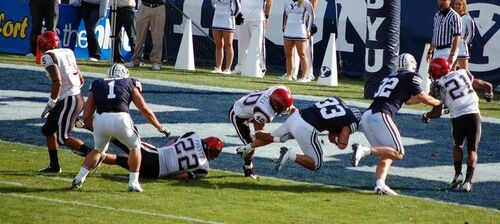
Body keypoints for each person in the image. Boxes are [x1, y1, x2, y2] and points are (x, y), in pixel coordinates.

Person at [351, 54, 442, 195]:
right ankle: (364, 150)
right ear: (411, 64)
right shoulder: (411, 76)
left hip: (368, 116)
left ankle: (380, 184)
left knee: (387, 153)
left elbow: (409, 100)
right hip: (381, 115)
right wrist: (439, 103)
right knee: (398, 153)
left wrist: (430, 101)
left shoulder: (390, 77)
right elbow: (422, 96)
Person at [72, 64, 170, 192]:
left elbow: (87, 113)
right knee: (135, 147)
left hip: (101, 119)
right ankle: (133, 183)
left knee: (98, 150)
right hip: (121, 118)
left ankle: (79, 178)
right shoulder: (130, 82)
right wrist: (159, 126)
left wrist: (93, 127)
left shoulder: (97, 83)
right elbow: (143, 108)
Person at [423, 58, 493, 192]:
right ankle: (468, 181)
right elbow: (476, 83)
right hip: (473, 113)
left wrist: (427, 115)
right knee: (472, 149)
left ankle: (458, 174)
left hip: (457, 117)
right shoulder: (462, 72)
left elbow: (437, 112)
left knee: (458, 145)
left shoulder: (437, 84)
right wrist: (488, 89)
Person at [248, 97, 361, 171]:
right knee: (316, 164)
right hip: (306, 127)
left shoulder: (337, 100)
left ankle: (246, 148)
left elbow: (330, 125)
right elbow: (342, 145)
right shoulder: (351, 120)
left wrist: (334, 133)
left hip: (296, 116)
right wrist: (338, 139)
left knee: (271, 137)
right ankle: (290, 154)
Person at [37, 31, 94, 173]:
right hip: (72, 98)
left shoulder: (48, 57)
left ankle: (94, 155)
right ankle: (54, 165)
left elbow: (57, 82)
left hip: (69, 100)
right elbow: (81, 78)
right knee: (48, 129)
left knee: (63, 137)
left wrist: (51, 103)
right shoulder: (67, 51)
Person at [229, 86, 293, 178]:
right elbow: (260, 136)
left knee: (254, 144)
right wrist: (279, 138)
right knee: (250, 145)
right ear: (275, 105)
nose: (285, 110)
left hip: (251, 106)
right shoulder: (263, 111)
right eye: (283, 108)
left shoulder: (280, 89)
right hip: (239, 115)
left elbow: (286, 90)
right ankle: (248, 167)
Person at [103, 132, 224, 180]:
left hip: (154, 155)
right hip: (154, 173)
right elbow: (183, 176)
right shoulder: (204, 167)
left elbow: (172, 143)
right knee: (117, 159)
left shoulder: (193, 135)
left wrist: (164, 152)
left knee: (118, 138)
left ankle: (90, 125)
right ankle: (87, 151)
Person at [232, 0, 272, 75]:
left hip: (258, 18)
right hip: (243, 17)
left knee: (259, 44)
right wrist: (238, 14)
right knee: (242, 45)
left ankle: (261, 68)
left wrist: (267, 17)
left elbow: (269, 2)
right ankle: (240, 67)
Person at [280, 0, 315, 82]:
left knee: (302, 54)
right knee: (288, 54)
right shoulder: (286, 1)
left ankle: (304, 77)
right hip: (289, 29)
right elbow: (285, 14)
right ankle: (289, 75)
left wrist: (308, 29)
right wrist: (284, 25)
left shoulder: (306, 2)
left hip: (300, 29)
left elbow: (312, 15)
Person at [126, 0, 166, 71]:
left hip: (159, 7)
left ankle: (156, 61)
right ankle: (136, 60)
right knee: (139, 37)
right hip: (144, 6)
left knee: (157, 38)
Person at [426, 0, 462, 68]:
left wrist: (452, 54)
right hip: (437, 50)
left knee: (443, 74)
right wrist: (430, 51)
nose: (441, 2)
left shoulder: (454, 16)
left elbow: (457, 36)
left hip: (447, 50)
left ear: (449, 1)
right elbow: (436, 35)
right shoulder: (437, 15)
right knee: (434, 75)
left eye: (444, 0)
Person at [211, 0, 241, 74]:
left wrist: (232, 16)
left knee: (228, 44)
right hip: (217, 18)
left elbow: (238, 7)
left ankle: (228, 68)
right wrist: (218, 11)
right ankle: (218, 68)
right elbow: (212, 3)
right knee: (218, 44)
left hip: (228, 19)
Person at [452, 0, 475, 70]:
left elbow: (471, 34)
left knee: (464, 71)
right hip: (451, 46)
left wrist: (464, 43)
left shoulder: (467, 18)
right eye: (456, 4)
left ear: (463, 6)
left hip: (461, 47)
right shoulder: (452, 17)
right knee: (451, 70)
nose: (457, 6)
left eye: (460, 4)